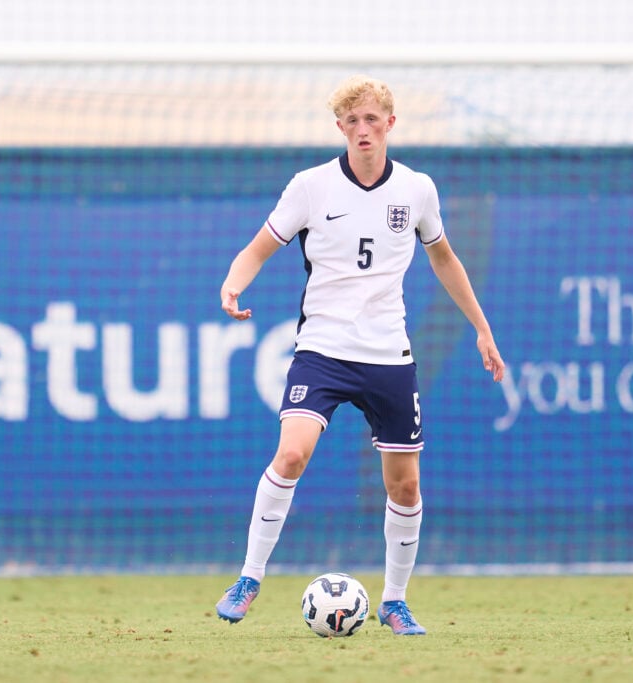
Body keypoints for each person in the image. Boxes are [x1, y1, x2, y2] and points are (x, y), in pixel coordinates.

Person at [214, 74, 505, 636]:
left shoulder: (417, 190)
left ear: (390, 124)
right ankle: (249, 578)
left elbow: (444, 258)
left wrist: (481, 328)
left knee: (404, 485)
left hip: (388, 355)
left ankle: (394, 601)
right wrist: (233, 282)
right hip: (321, 349)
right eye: (354, 120)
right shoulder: (310, 186)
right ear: (341, 127)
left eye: (374, 119)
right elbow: (260, 246)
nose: (364, 129)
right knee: (292, 454)